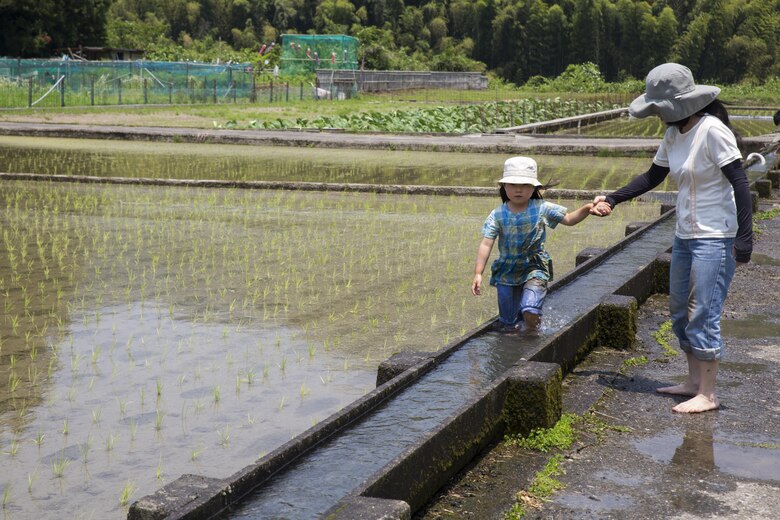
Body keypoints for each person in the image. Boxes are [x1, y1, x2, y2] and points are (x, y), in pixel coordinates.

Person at [591, 63, 753, 414]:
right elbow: (653, 176)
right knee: (679, 311)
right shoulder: (674, 133)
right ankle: (693, 383)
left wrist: (745, 239)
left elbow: (740, 182)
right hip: (685, 235)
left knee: (703, 313)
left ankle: (708, 395)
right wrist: (613, 199)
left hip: (715, 237)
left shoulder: (712, 130)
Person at [471, 156, 595, 334]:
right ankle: (519, 338)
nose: (518, 190)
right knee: (508, 323)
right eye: (513, 185)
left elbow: (569, 219)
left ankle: (533, 335)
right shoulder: (497, 214)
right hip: (507, 270)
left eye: (525, 185)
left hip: (534, 267)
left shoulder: (541, 208)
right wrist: (478, 273)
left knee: (530, 308)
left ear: (534, 188)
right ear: (504, 187)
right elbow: (486, 243)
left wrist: (587, 208)